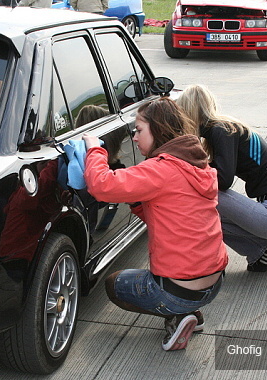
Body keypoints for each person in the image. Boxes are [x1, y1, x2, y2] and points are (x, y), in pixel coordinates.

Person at [82, 97, 228, 351]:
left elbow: (101, 186)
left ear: (158, 128)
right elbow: (168, 218)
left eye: (139, 130)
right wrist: (139, 202)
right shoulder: (198, 166)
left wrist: (95, 148)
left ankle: (178, 315)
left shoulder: (161, 170)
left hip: (177, 290)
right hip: (213, 284)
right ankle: (190, 312)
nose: (135, 138)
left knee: (113, 285)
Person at [176, 84, 267, 272]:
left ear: (189, 112)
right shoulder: (224, 129)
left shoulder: (222, 130)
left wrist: (185, 167)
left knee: (200, 194)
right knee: (206, 215)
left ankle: (197, 266)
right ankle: (262, 249)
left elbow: (223, 181)